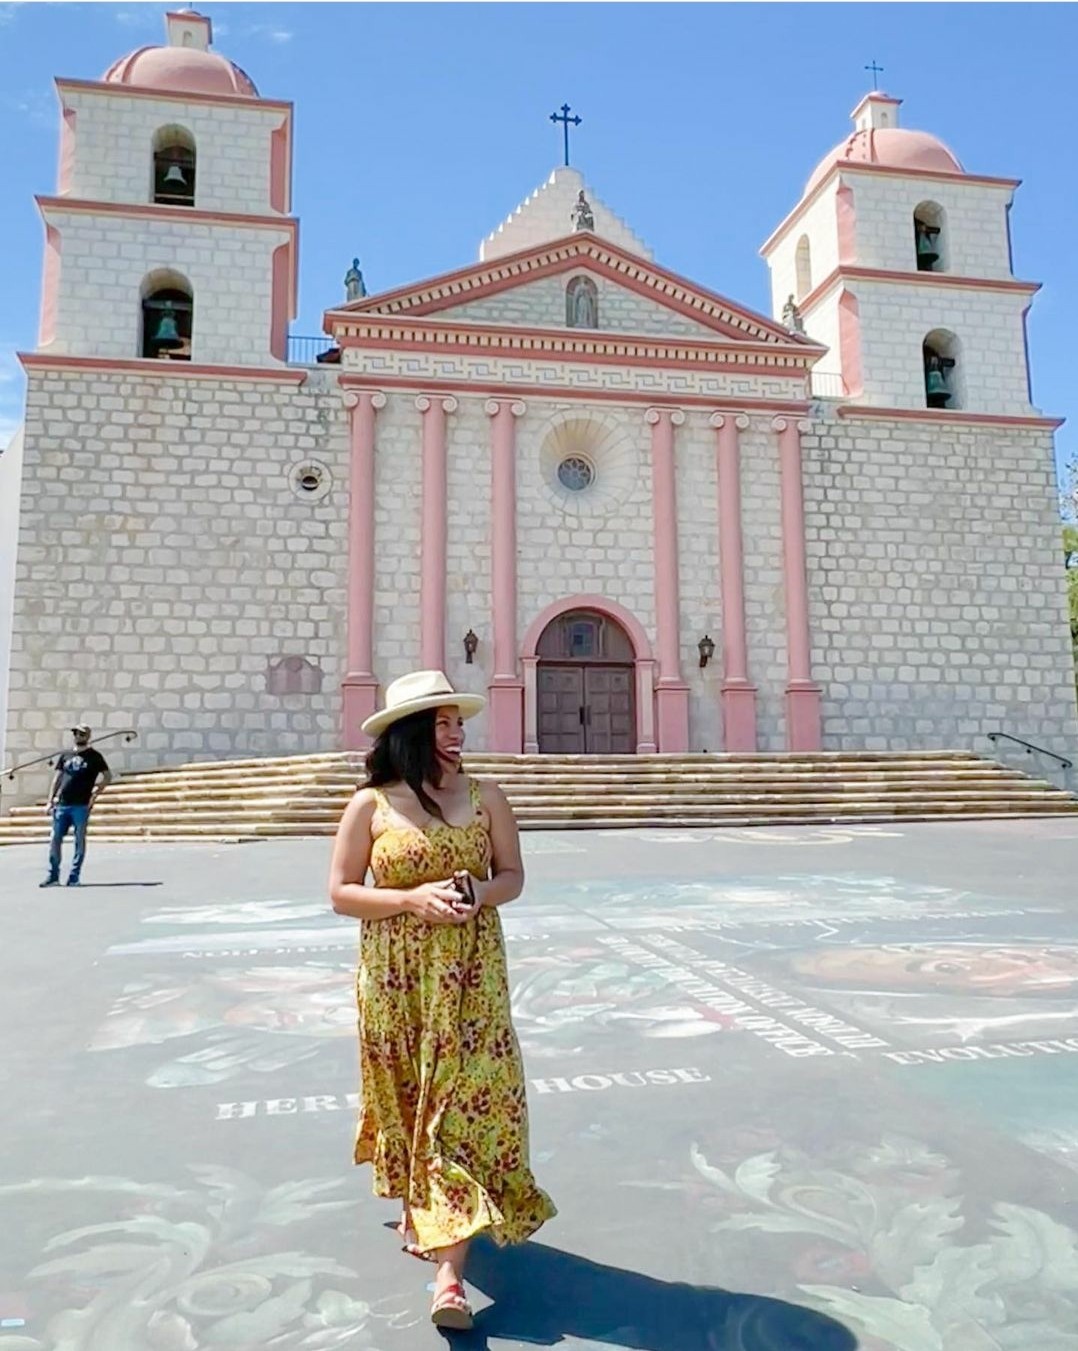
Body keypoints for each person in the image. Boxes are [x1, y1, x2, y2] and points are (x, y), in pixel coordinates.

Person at [328, 670, 556, 1330]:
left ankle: (449, 1277)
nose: (457, 733)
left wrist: (478, 892)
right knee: (408, 1098)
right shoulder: (370, 805)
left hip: (472, 979)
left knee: (462, 1107)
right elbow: (341, 891)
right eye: (442, 723)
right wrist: (409, 898)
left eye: (459, 722)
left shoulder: (487, 797)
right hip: (396, 979)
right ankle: (420, 1204)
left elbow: (511, 875)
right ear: (409, 733)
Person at [41, 724, 112, 887]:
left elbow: (107, 776)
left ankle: (74, 875)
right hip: (62, 804)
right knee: (55, 839)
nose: (78, 736)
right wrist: (50, 800)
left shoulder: (94, 757)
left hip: (81, 804)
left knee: (79, 839)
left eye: (81, 734)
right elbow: (57, 778)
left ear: (88, 736)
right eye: (76, 734)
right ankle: (53, 875)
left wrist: (96, 792)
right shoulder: (65, 755)